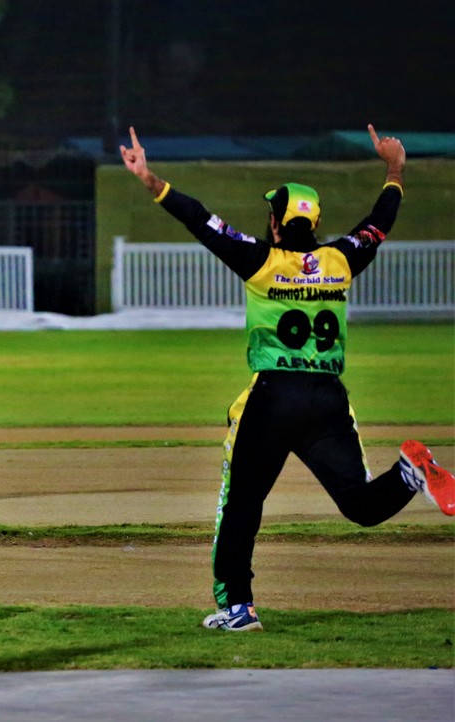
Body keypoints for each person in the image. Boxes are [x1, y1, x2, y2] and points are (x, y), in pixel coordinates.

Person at [119, 124, 455, 632]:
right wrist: (395, 169)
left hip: (275, 398)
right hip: (327, 399)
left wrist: (150, 179)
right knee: (361, 505)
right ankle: (410, 472)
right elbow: (378, 223)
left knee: (241, 505)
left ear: (275, 223)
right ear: (314, 223)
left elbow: (201, 220)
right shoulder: (342, 260)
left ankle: (239, 608)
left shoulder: (260, 261)